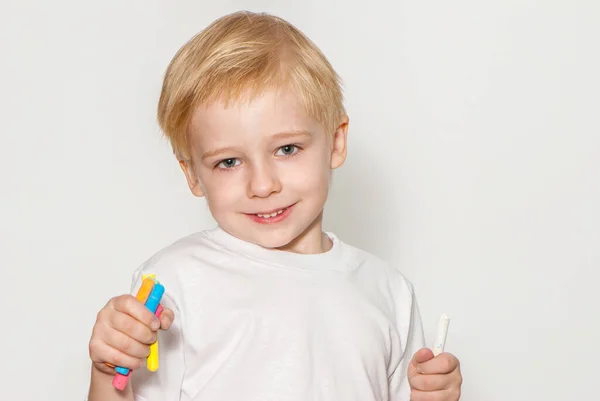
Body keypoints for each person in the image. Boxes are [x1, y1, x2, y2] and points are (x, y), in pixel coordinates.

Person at [87, 10, 463, 401]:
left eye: (287, 149)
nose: (263, 185)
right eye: (228, 162)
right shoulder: (173, 282)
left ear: (336, 142)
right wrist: (107, 371)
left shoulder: (388, 292)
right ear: (193, 175)